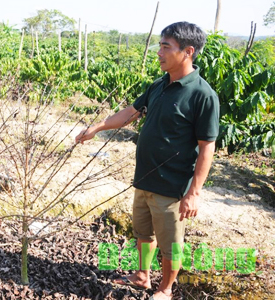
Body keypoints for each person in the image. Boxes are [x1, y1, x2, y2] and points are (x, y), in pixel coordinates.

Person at [75, 22, 219, 300]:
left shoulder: (202, 95)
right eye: (160, 45)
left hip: (172, 187)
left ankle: (165, 289)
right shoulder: (159, 85)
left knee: (171, 244)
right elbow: (132, 111)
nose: (159, 52)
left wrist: (194, 193)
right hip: (144, 179)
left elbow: (206, 148)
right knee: (143, 233)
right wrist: (97, 126)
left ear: (188, 52)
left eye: (166, 47)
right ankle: (142, 276)